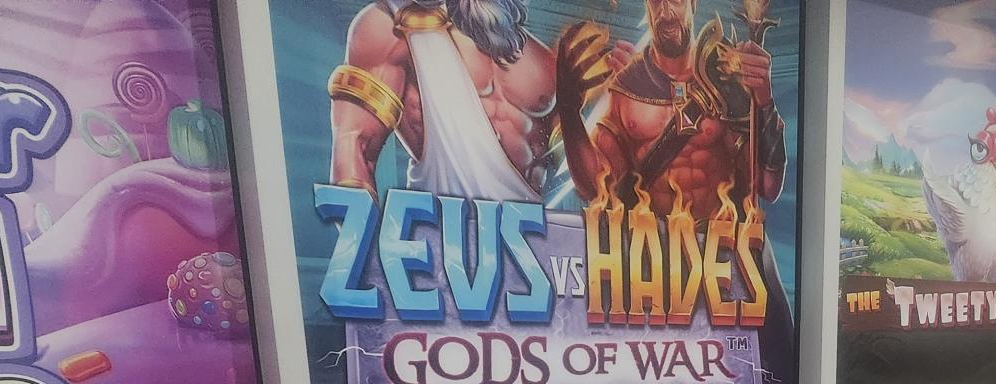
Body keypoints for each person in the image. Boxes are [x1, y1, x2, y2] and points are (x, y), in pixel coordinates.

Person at [556, 0, 785, 217]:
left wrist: (764, 101)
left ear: (693, 3)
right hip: (650, 241)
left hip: (719, 239)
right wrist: (569, 112)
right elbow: (596, 185)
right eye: (657, 1)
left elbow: (768, 186)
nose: (665, 14)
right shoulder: (628, 86)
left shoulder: (724, 77)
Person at [329, 0, 557, 202]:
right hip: (439, 229)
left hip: (532, 230)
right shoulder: (388, 27)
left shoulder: (543, 57)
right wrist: (368, 236)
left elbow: (564, 163)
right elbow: (354, 150)